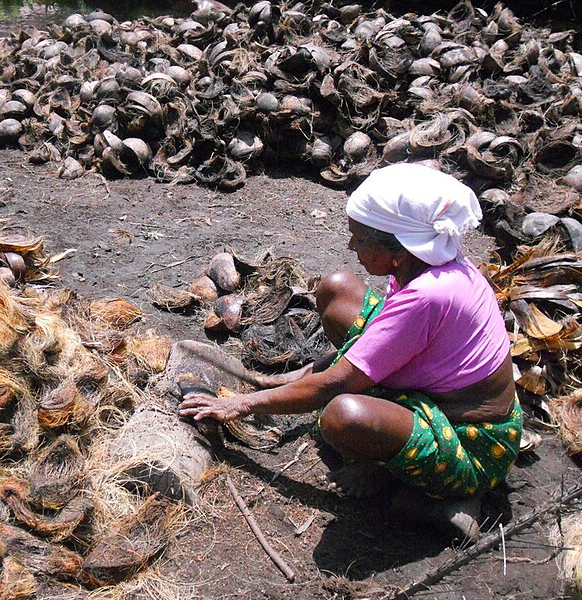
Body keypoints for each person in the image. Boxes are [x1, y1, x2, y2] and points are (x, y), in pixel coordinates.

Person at [179, 163, 522, 540]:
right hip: (434, 386)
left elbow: (335, 385)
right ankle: (393, 453)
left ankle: (401, 479)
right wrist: (284, 378)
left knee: (341, 416)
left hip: (471, 440)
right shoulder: (426, 265)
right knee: (337, 288)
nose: (350, 246)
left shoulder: (428, 295)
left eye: (359, 239)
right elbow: (369, 344)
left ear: (398, 250)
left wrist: (241, 405)